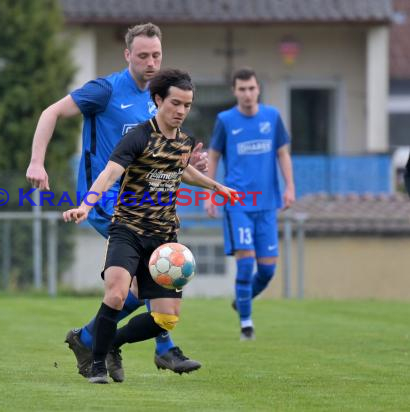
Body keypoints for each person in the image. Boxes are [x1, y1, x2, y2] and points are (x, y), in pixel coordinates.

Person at [26, 23, 208, 382]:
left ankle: (92, 338)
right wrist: (36, 161)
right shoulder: (105, 91)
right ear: (128, 55)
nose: (151, 62)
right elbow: (50, 113)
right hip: (107, 200)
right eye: (142, 56)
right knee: (147, 276)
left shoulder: (160, 97)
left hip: (145, 201)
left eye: (156, 55)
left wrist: (187, 165)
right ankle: (159, 348)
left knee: (140, 286)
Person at [63, 69, 238, 383]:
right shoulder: (137, 136)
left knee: (166, 318)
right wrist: (85, 205)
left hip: (164, 242)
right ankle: (98, 366)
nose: (181, 111)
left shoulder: (184, 141)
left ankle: (109, 342)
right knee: (116, 295)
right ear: (158, 100)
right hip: (127, 230)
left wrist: (215, 186)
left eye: (187, 105)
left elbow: (182, 170)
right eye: (175, 103)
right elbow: (108, 174)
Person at [204, 67, 296, 341]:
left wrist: (290, 186)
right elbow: (213, 156)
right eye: (242, 89)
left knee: (267, 270)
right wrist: (210, 192)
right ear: (234, 91)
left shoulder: (272, 117)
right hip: (238, 203)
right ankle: (246, 324)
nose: (247, 94)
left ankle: (240, 300)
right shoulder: (225, 120)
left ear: (258, 89)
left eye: (251, 88)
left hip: (267, 204)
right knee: (246, 265)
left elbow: (283, 153)